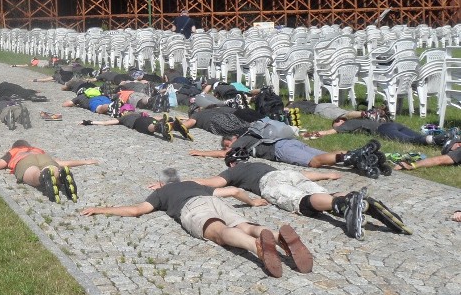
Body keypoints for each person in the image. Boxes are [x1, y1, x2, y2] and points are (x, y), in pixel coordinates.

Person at [80, 174, 313, 278]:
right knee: (245, 224)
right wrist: (252, 202)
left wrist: (102, 209)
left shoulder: (160, 193)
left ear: (161, 184)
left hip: (192, 209)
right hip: (213, 200)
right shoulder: (194, 183)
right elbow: (232, 191)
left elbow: (136, 211)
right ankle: (276, 236)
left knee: (221, 232)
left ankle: (258, 247)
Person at [191, 160, 410, 239]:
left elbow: (214, 183)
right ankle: (358, 201)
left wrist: (182, 182)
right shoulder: (259, 163)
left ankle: (342, 205)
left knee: (303, 202)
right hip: (289, 174)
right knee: (322, 194)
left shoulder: (234, 171)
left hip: (271, 183)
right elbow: (304, 176)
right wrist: (326, 174)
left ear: (231, 164)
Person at [191, 132, 390, 175]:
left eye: (227, 144)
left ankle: (353, 157)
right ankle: (363, 155)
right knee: (325, 153)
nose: (228, 148)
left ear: (230, 140)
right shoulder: (254, 131)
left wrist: (200, 152)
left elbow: (223, 154)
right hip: (289, 140)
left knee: (314, 162)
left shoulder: (242, 138)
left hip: (280, 149)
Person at [0, 139, 99, 203]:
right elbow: (62, 162)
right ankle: (60, 176)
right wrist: (85, 161)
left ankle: (42, 177)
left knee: (32, 173)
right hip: (44, 158)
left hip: (23, 160)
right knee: (52, 167)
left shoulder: (14, 152)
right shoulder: (38, 149)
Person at [303, 116, 451, 147]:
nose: (337, 127)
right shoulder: (359, 122)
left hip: (384, 129)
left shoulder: (349, 123)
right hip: (394, 124)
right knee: (419, 136)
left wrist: (315, 133)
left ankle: (434, 140)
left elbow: (332, 132)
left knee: (407, 141)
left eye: (336, 124)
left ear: (340, 121)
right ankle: (444, 140)